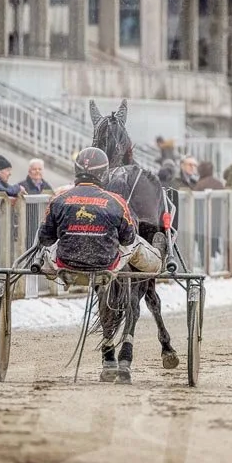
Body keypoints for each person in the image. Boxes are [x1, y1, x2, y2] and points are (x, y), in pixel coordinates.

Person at [36, 147, 162, 382]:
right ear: (104, 174)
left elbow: (46, 238)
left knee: (44, 246)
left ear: (76, 171)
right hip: (106, 265)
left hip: (65, 265)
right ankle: (158, 265)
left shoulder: (59, 199)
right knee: (137, 247)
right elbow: (126, 238)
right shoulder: (117, 201)